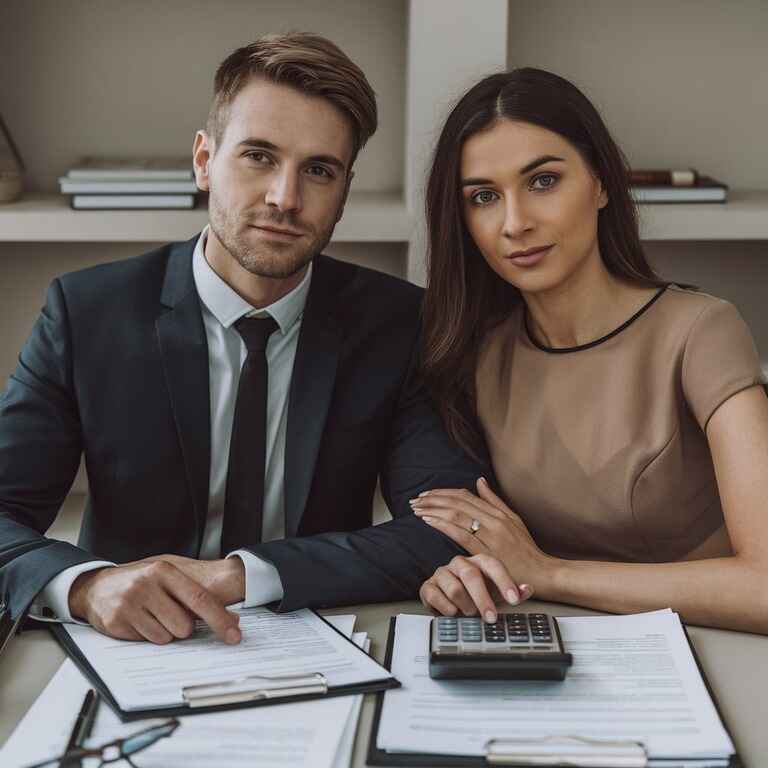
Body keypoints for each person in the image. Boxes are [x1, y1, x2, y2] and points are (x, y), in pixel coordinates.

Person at [0, 33, 488, 645]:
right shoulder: (86, 313)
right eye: (259, 156)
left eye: (318, 170)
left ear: (344, 189)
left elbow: (447, 526)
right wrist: (86, 586)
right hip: (127, 649)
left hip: (323, 639)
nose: (285, 198)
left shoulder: (399, 323)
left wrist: (237, 577)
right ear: (205, 160)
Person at [413, 68, 768, 634]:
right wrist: (463, 572)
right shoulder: (477, 356)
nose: (515, 223)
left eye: (543, 182)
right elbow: (494, 544)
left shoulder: (700, 331)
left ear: (601, 183)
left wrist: (551, 575)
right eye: (484, 197)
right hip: (560, 645)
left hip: (716, 649)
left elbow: (764, 587)